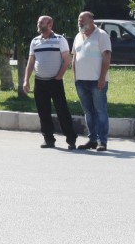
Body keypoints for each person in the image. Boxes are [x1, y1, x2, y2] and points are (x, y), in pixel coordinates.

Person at [23, 15, 78, 150]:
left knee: (62, 110)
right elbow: (31, 61)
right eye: (38, 22)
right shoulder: (35, 41)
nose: (39, 24)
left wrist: (59, 76)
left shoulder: (60, 40)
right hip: (40, 82)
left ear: (50, 25)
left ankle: (71, 139)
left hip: (55, 81)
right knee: (43, 112)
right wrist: (26, 80)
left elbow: (66, 60)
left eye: (41, 22)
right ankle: (48, 139)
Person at [72, 11, 111, 151]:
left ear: (91, 20)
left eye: (82, 19)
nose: (80, 22)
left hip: (97, 81)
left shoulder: (101, 35)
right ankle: (92, 140)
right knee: (88, 111)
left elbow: (106, 57)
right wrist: (75, 78)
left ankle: (102, 141)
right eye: (79, 20)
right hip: (81, 81)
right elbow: (74, 58)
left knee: (100, 111)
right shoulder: (78, 36)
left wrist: (102, 78)